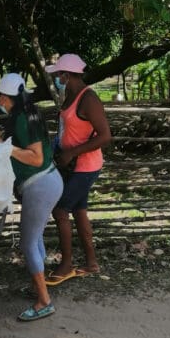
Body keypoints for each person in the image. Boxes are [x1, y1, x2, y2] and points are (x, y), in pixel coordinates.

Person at [0, 73, 63, 322]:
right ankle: (41, 287)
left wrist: (3, 145)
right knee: (35, 237)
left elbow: (35, 157)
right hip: (48, 181)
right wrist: (1, 139)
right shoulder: (27, 112)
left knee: (28, 243)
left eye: (0, 98)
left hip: (40, 184)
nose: (0, 102)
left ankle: (44, 302)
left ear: (7, 97)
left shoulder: (23, 118)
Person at [44, 53, 111, 285]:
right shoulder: (71, 94)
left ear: (67, 75)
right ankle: (91, 263)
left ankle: (67, 264)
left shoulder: (88, 99)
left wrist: (72, 152)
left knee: (61, 210)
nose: (56, 78)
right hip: (73, 165)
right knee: (79, 210)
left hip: (85, 165)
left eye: (58, 74)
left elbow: (105, 136)